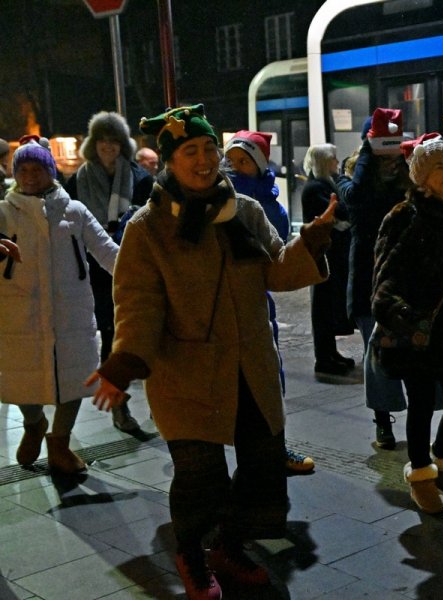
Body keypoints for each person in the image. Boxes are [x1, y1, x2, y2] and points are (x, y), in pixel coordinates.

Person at [86, 105, 334, 600]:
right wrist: (123, 362)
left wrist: (310, 240)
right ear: (169, 163)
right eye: (189, 152)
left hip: (251, 367)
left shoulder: (243, 211)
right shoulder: (147, 228)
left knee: (263, 469)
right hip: (187, 374)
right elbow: (138, 303)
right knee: (201, 476)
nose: (202, 160)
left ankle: (230, 546)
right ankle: (193, 555)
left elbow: (278, 271)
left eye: (208, 150)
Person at [371, 132, 443, 513]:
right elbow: (384, 282)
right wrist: (404, 316)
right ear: (420, 175)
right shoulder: (405, 216)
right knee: (421, 405)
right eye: (438, 166)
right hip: (418, 333)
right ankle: (421, 474)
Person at [0, 137, 118, 475]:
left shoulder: (75, 211)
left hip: (72, 313)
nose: (30, 175)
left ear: (51, 172)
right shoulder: (4, 212)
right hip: (19, 313)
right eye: (23, 169)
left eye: (37, 168)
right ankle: (34, 423)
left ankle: (60, 444)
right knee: (23, 381)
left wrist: (142, 274)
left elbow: (107, 251)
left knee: (76, 377)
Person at [223, 129, 315, 475]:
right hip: (217, 303)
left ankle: (274, 447)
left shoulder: (269, 207)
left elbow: (275, 258)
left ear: (258, 166)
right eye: (229, 159)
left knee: (267, 378)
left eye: (242, 161)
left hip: (254, 302)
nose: (233, 167)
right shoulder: (211, 197)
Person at [65, 111, 153, 433]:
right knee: (112, 335)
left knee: (146, 331)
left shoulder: (140, 178)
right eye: (102, 141)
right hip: (97, 273)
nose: (108, 147)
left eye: (114, 141)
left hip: (135, 267)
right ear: (93, 144)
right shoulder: (78, 180)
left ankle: (161, 402)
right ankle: (120, 408)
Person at [337, 109, 412, 449]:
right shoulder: (351, 180)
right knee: (377, 352)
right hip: (368, 280)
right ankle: (383, 422)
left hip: (404, 279)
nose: (389, 158)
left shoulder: (404, 181)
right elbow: (357, 201)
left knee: (415, 348)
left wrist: (402, 160)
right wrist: (369, 153)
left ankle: (427, 413)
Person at [301, 143, 355, 376]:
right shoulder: (316, 188)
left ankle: (330, 353)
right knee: (322, 307)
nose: (336, 162)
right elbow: (340, 212)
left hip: (329, 254)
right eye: (333, 158)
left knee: (328, 305)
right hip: (322, 255)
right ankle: (324, 357)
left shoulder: (323, 184)